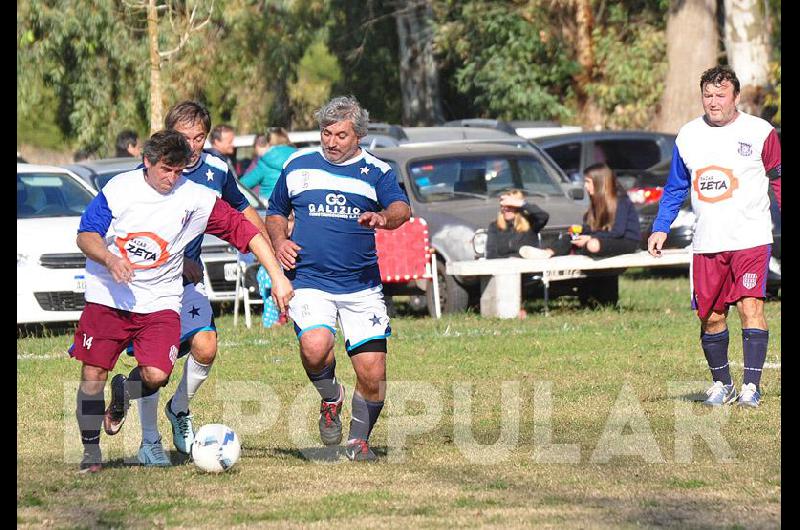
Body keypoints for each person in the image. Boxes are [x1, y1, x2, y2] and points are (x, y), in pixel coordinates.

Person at [70, 130, 292, 472]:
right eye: (165, 170)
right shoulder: (120, 189)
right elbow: (86, 235)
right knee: (93, 373)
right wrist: (111, 260)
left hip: (160, 300)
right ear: (147, 162)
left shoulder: (196, 198)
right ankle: (90, 452)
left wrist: (277, 276)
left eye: (178, 171)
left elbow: (246, 232)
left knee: (157, 373)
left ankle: (126, 390)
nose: (172, 179)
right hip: (108, 296)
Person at [128, 101, 275, 466]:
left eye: (199, 137)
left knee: (206, 346)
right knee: (155, 369)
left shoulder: (216, 169)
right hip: (149, 283)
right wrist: (177, 259)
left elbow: (241, 210)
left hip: (187, 284)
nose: (192, 145)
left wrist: (267, 249)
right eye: (184, 137)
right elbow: (135, 233)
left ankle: (179, 409)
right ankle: (148, 439)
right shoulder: (150, 172)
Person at [266, 95, 411, 461]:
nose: (331, 142)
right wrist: (280, 240)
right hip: (310, 279)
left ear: (358, 135)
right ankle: (332, 397)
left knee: (373, 373)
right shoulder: (298, 164)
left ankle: (357, 441)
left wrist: (383, 218)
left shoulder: (376, 171)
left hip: (361, 285)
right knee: (315, 348)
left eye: (341, 135)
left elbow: (401, 208)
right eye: (326, 133)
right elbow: (275, 212)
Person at [648, 65, 781, 408]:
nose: (713, 101)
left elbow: (778, 179)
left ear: (736, 97)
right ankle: (722, 384)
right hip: (707, 242)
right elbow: (676, 186)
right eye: (708, 95)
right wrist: (661, 226)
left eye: (721, 95)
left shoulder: (760, 132)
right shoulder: (688, 136)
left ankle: (751, 387)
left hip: (751, 237)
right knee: (710, 317)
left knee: (750, 306)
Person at [241, 127, 299, 328]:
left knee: (270, 262)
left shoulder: (265, 161)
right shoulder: (297, 157)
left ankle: (272, 317)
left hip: (269, 213)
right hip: (295, 214)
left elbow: (243, 185)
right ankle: (294, 313)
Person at [525, 163, 641, 259]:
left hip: (625, 241)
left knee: (593, 245)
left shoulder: (621, 201)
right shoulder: (597, 202)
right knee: (571, 236)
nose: (585, 186)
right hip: (603, 238)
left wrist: (590, 238)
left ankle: (580, 250)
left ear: (599, 183)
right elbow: (593, 228)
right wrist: (581, 230)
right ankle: (547, 252)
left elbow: (618, 232)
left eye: (588, 182)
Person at [485, 189, 550, 259]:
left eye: (510, 206)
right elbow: (491, 254)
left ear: (519, 207)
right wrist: (509, 259)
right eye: (503, 206)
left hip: (528, 265)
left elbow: (543, 216)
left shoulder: (530, 222)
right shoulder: (494, 226)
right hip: (504, 265)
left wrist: (522, 204)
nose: (506, 209)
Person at [240, 127, 298, 203]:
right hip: (295, 204)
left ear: (269, 141)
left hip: (271, 206)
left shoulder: (265, 160)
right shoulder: (299, 156)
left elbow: (242, 186)